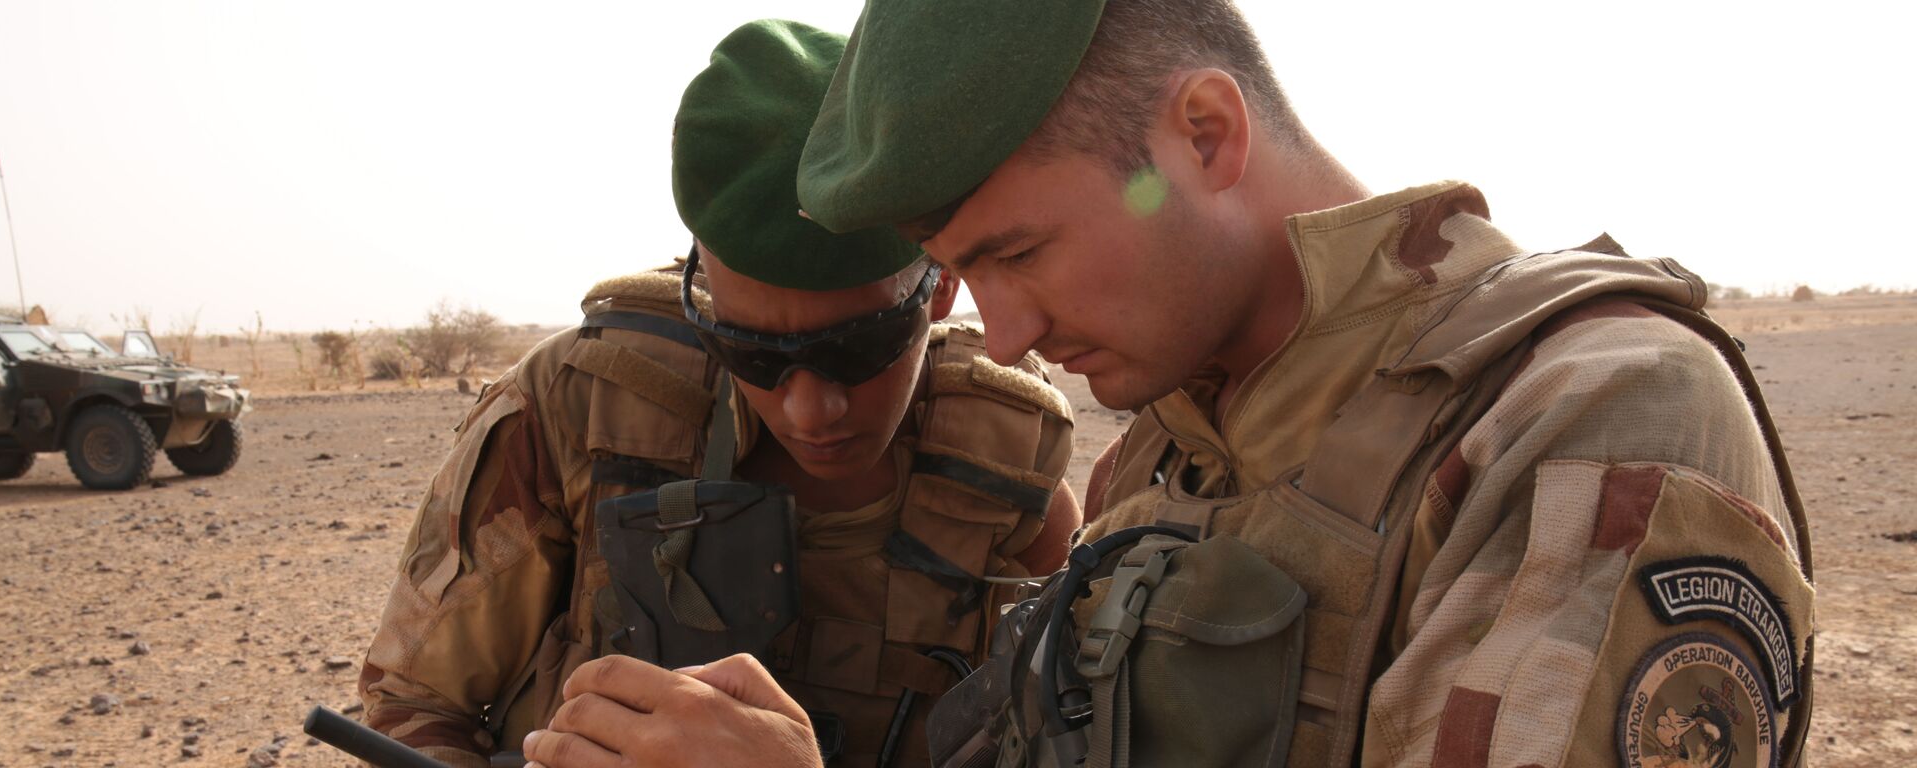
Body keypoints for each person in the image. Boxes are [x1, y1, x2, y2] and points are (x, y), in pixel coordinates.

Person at [527, 1, 1816, 767]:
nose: (1013, 335)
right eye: (964, 276)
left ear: (1204, 134)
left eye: (1019, 254)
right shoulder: (1158, 466)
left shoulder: (1591, 415)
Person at [362, 19, 1080, 768]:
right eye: (751, 350)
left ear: (942, 286)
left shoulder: (1004, 473)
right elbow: (412, 701)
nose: (810, 410)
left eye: (855, 348)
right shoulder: (584, 406)